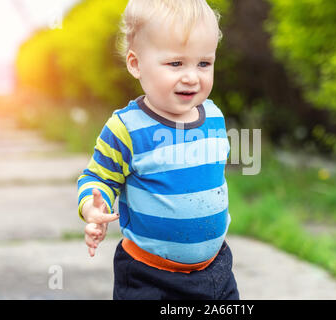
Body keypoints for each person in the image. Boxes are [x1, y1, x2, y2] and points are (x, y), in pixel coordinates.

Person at [77, 0, 239, 300]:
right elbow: (97, 178)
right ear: (136, 64)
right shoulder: (126, 128)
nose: (192, 76)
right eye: (176, 63)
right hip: (148, 277)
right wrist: (92, 207)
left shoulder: (214, 116)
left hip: (216, 271)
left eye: (204, 63)